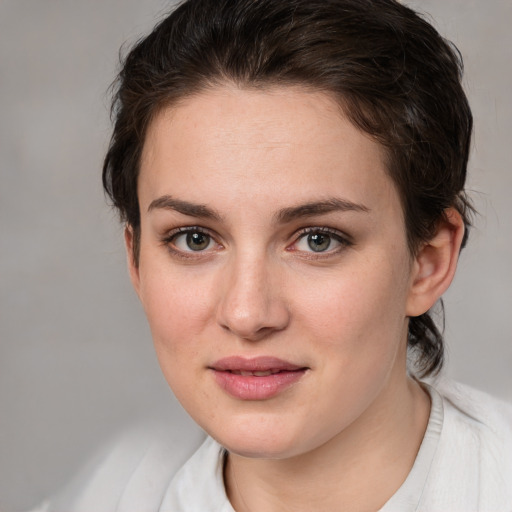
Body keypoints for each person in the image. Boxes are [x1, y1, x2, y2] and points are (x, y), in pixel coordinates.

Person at [34, 0, 512, 510]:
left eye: (318, 239)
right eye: (194, 238)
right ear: (136, 261)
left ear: (427, 261)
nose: (247, 314)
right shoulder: (108, 494)